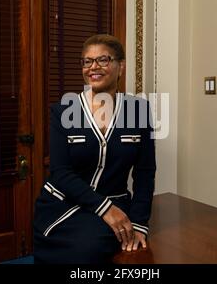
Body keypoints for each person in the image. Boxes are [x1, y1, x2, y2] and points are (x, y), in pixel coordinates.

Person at [33, 34, 156, 264]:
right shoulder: (63, 111)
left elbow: (145, 172)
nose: (93, 67)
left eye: (103, 60)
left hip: (115, 201)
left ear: (121, 66)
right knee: (82, 250)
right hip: (62, 205)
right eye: (87, 61)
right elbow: (60, 172)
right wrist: (105, 209)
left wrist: (139, 223)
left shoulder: (138, 110)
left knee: (106, 247)